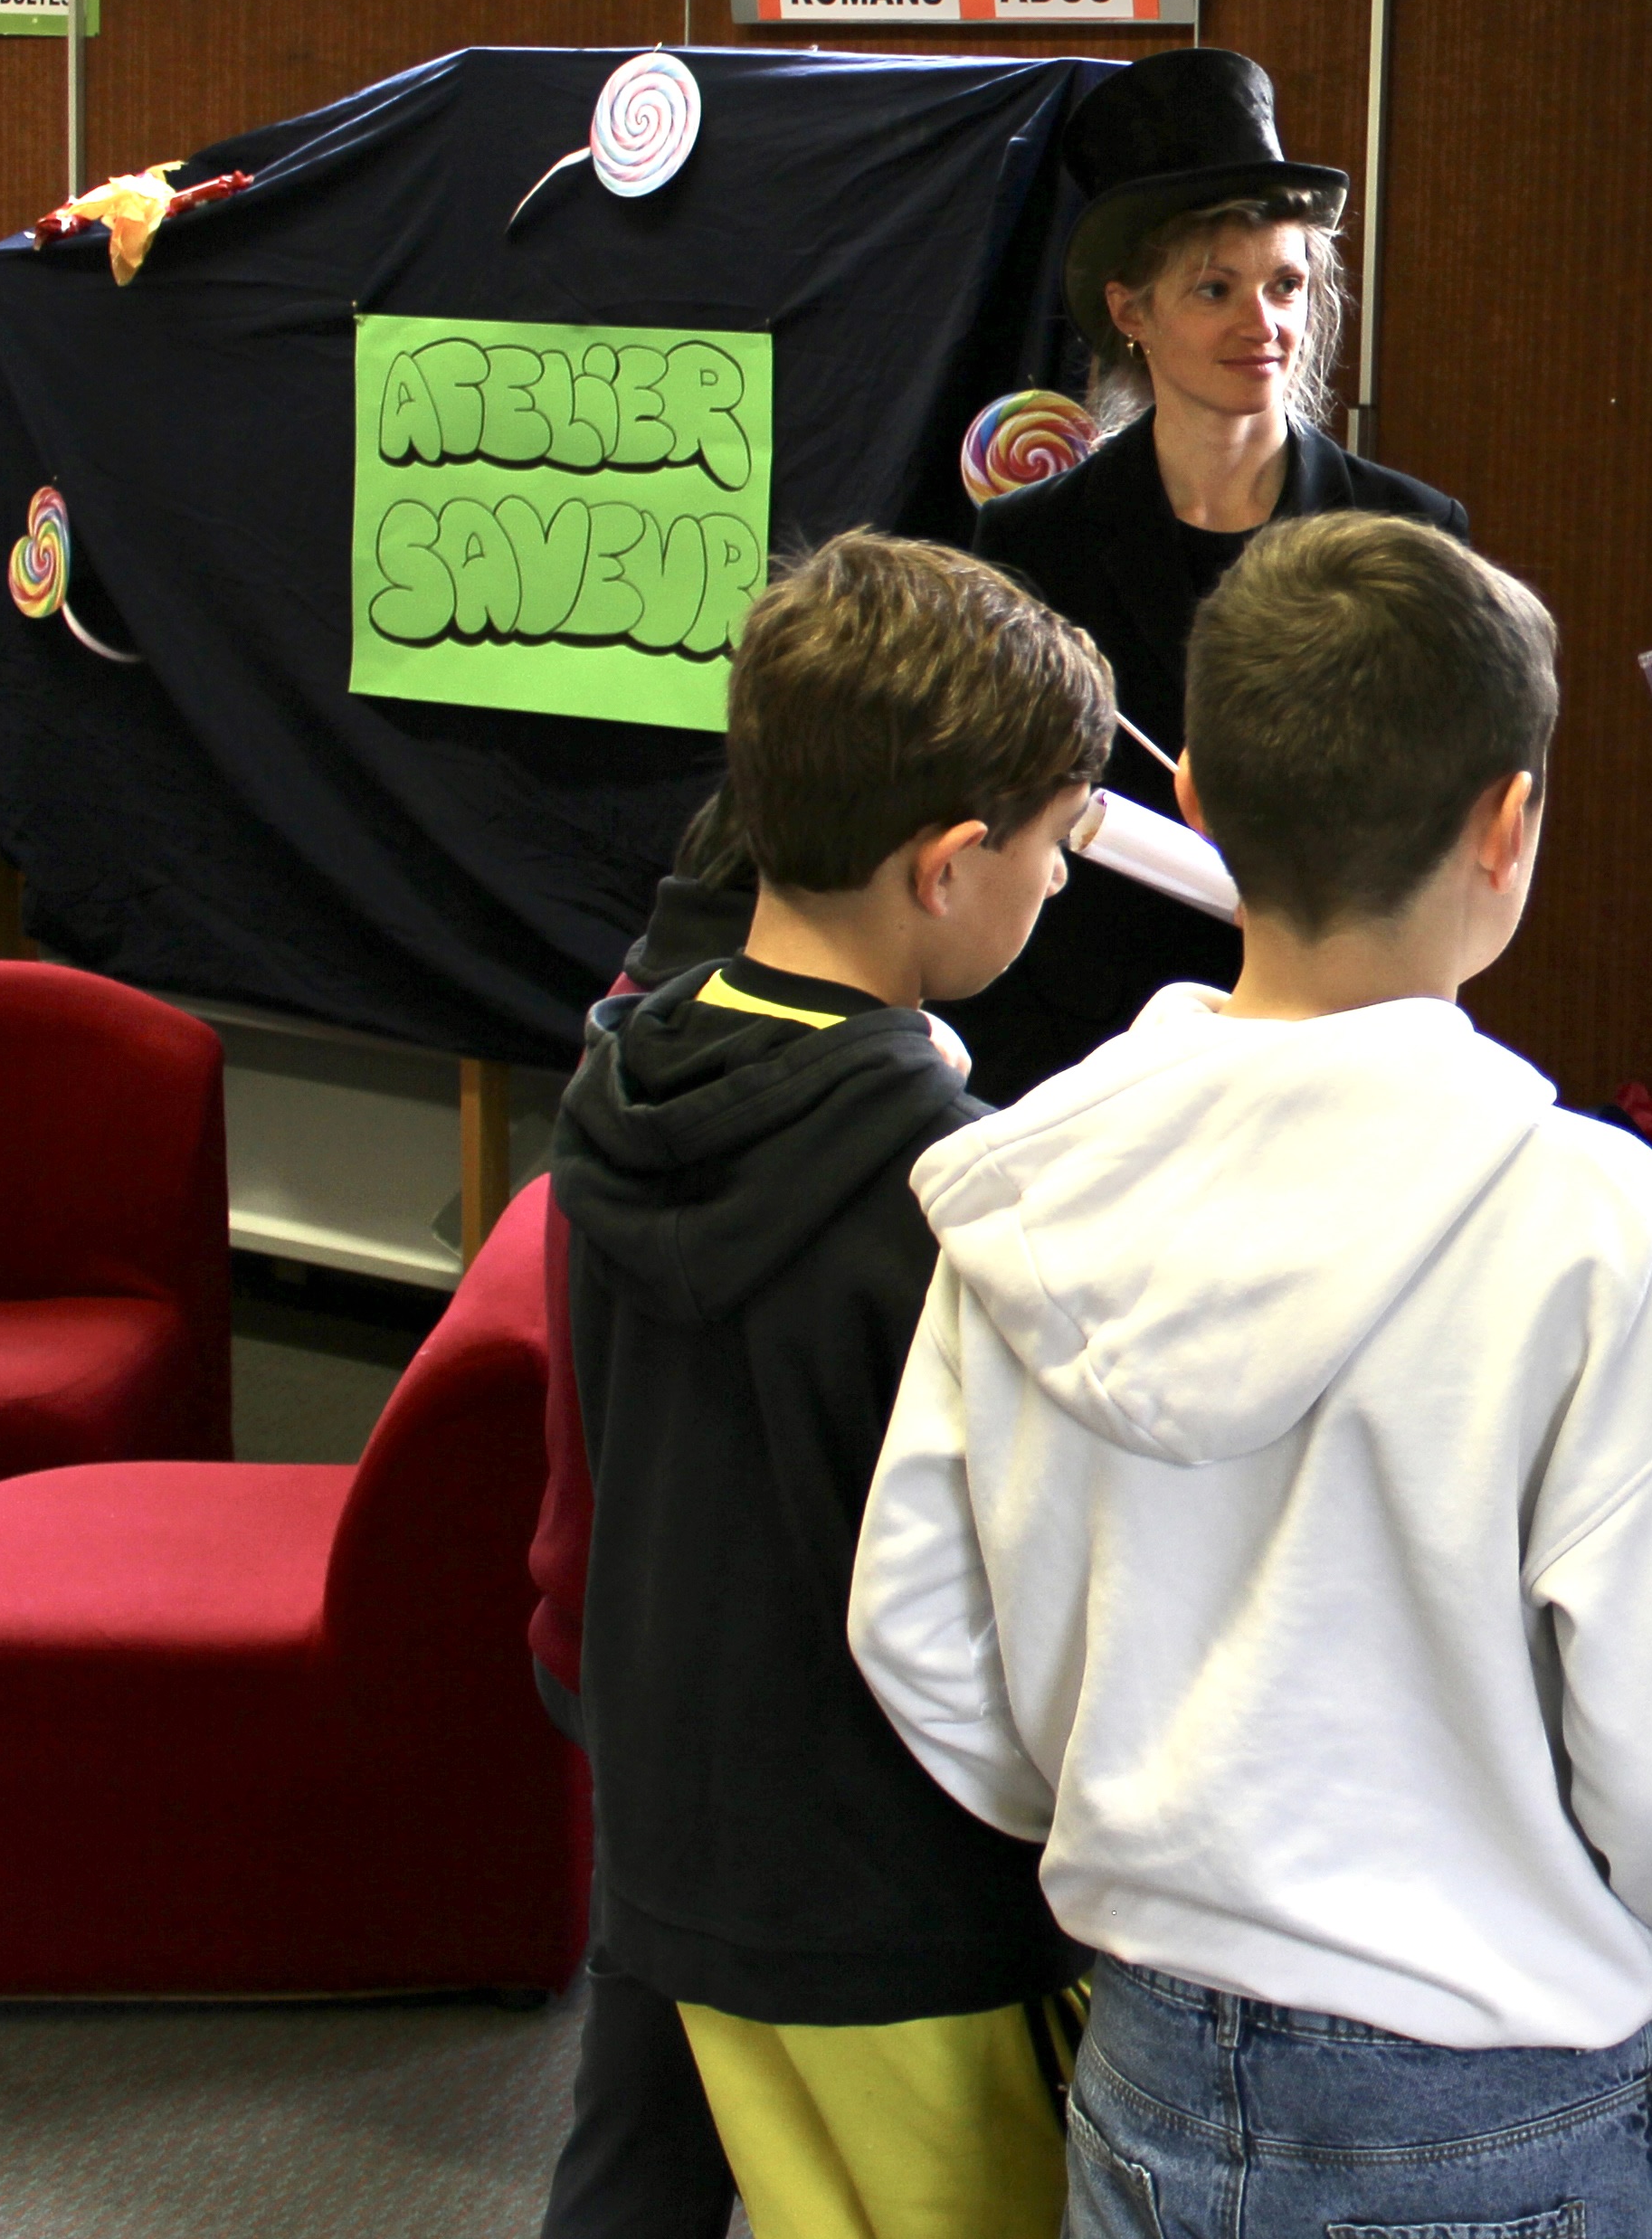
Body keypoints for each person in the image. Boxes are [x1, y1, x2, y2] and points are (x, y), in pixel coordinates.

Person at [850, 512, 1652, 2239]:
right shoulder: (1584, 1216)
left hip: (1141, 2062)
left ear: (1200, 801)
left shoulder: (1038, 1172)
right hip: (1496, 2093)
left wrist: (1124, 1819)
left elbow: (913, 1621)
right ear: (1507, 823)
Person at [553, 534, 1112, 2239]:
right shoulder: (948, 1195)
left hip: (668, 1828)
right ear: (946, 868)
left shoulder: (621, 1080)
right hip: (894, 1901)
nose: (1062, 887)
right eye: (1051, 850)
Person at [949, 45, 1466, 1102]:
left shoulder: (1406, 530)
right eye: (1215, 289)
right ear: (1131, 311)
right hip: (1084, 1052)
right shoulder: (1029, 546)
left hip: (1327, 1048)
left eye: (1285, 284)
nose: (1262, 324)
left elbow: (1445, 818)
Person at [528, 791, 755, 2239]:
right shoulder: (858, 1141)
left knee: (642, 2116)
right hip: (740, 1706)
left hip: (622, 1644)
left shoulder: (637, 1035)